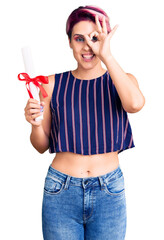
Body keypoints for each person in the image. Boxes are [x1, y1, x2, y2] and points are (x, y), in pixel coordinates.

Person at [24, 5, 145, 240]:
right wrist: (35, 124)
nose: (87, 46)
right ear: (69, 42)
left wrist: (106, 55)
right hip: (61, 191)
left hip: (109, 191)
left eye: (95, 38)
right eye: (79, 38)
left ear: (106, 40)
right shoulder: (49, 84)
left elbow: (135, 105)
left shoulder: (122, 81)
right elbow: (40, 146)